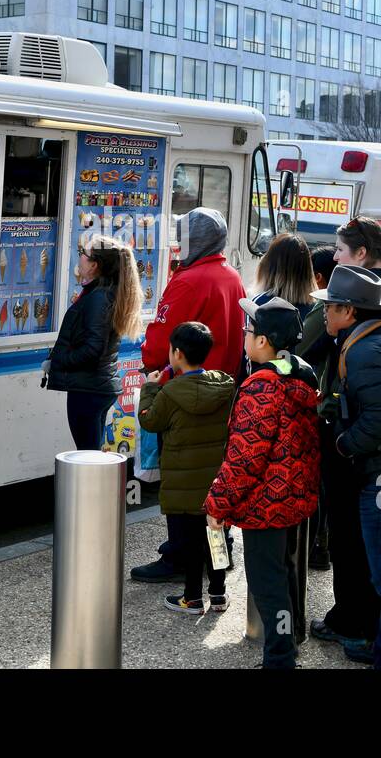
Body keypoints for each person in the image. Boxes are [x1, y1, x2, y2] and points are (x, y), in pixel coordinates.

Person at [314, 264, 381, 669]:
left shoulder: (363, 350)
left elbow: (379, 415)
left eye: (330, 307)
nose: (325, 313)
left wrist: (345, 444)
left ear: (351, 311)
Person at [132, 207, 247, 583]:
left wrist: (151, 368)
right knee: (214, 484)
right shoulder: (232, 277)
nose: (178, 243)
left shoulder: (188, 280)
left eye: (183, 235)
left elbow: (161, 340)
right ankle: (218, 554)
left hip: (183, 396)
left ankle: (180, 556)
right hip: (222, 393)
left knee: (181, 483)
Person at [205, 298, 320, 669]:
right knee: (283, 577)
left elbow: (243, 459)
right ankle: (288, 645)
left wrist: (217, 503)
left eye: (248, 331)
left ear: (264, 342)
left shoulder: (261, 388)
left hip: (265, 506)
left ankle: (280, 659)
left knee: (268, 587)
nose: (244, 335)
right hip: (294, 499)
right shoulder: (300, 373)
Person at [137, 322, 235, 614]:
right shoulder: (223, 386)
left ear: (177, 354)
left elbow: (149, 420)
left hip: (183, 486)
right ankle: (218, 594)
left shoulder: (170, 393)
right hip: (215, 483)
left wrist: (150, 389)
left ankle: (192, 598)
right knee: (215, 537)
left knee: (191, 544)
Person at [44, 235, 142, 450]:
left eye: (83, 254)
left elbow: (93, 349)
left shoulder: (99, 297)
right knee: (92, 452)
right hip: (96, 386)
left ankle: (95, 486)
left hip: (89, 389)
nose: (79, 258)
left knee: (88, 455)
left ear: (94, 265)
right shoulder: (100, 293)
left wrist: (60, 360)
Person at [300, 244, 336, 572]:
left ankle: (317, 544)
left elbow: (304, 351)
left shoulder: (320, 311)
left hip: (323, 407)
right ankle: (321, 544)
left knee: (320, 482)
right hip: (325, 402)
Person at [247, 232, 318, 373]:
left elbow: (248, 353)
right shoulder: (316, 308)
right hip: (301, 385)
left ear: (269, 266)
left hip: (261, 383)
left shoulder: (259, 303)